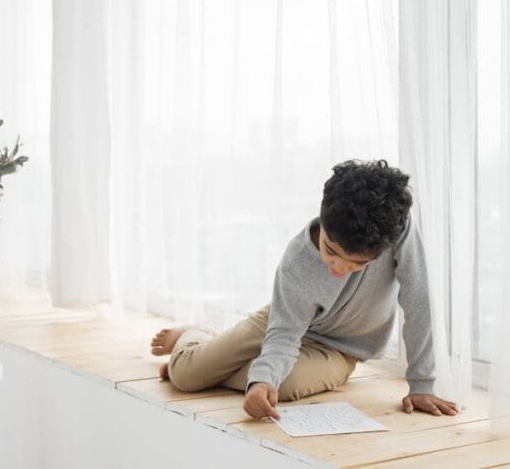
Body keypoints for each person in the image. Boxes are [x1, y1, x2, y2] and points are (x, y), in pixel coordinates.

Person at [150, 160, 458, 420]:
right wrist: (262, 378)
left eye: (356, 264)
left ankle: (217, 360)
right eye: (331, 251)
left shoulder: (398, 230)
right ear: (322, 216)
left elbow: (418, 301)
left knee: (282, 386)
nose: (338, 268)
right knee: (185, 376)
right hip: (286, 319)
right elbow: (284, 332)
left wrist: (421, 385)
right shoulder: (296, 262)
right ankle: (195, 337)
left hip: (339, 348)